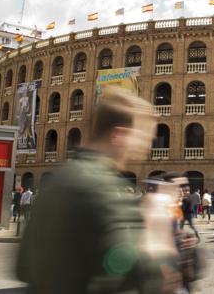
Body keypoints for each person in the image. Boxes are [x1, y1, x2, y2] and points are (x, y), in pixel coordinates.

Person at [16, 87, 181, 293]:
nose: (148, 146)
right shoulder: (106, 191)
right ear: (119, 135)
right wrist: (157, 231)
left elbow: (23, 268)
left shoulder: (58, 181)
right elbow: (142, 277)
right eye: (145, 137)